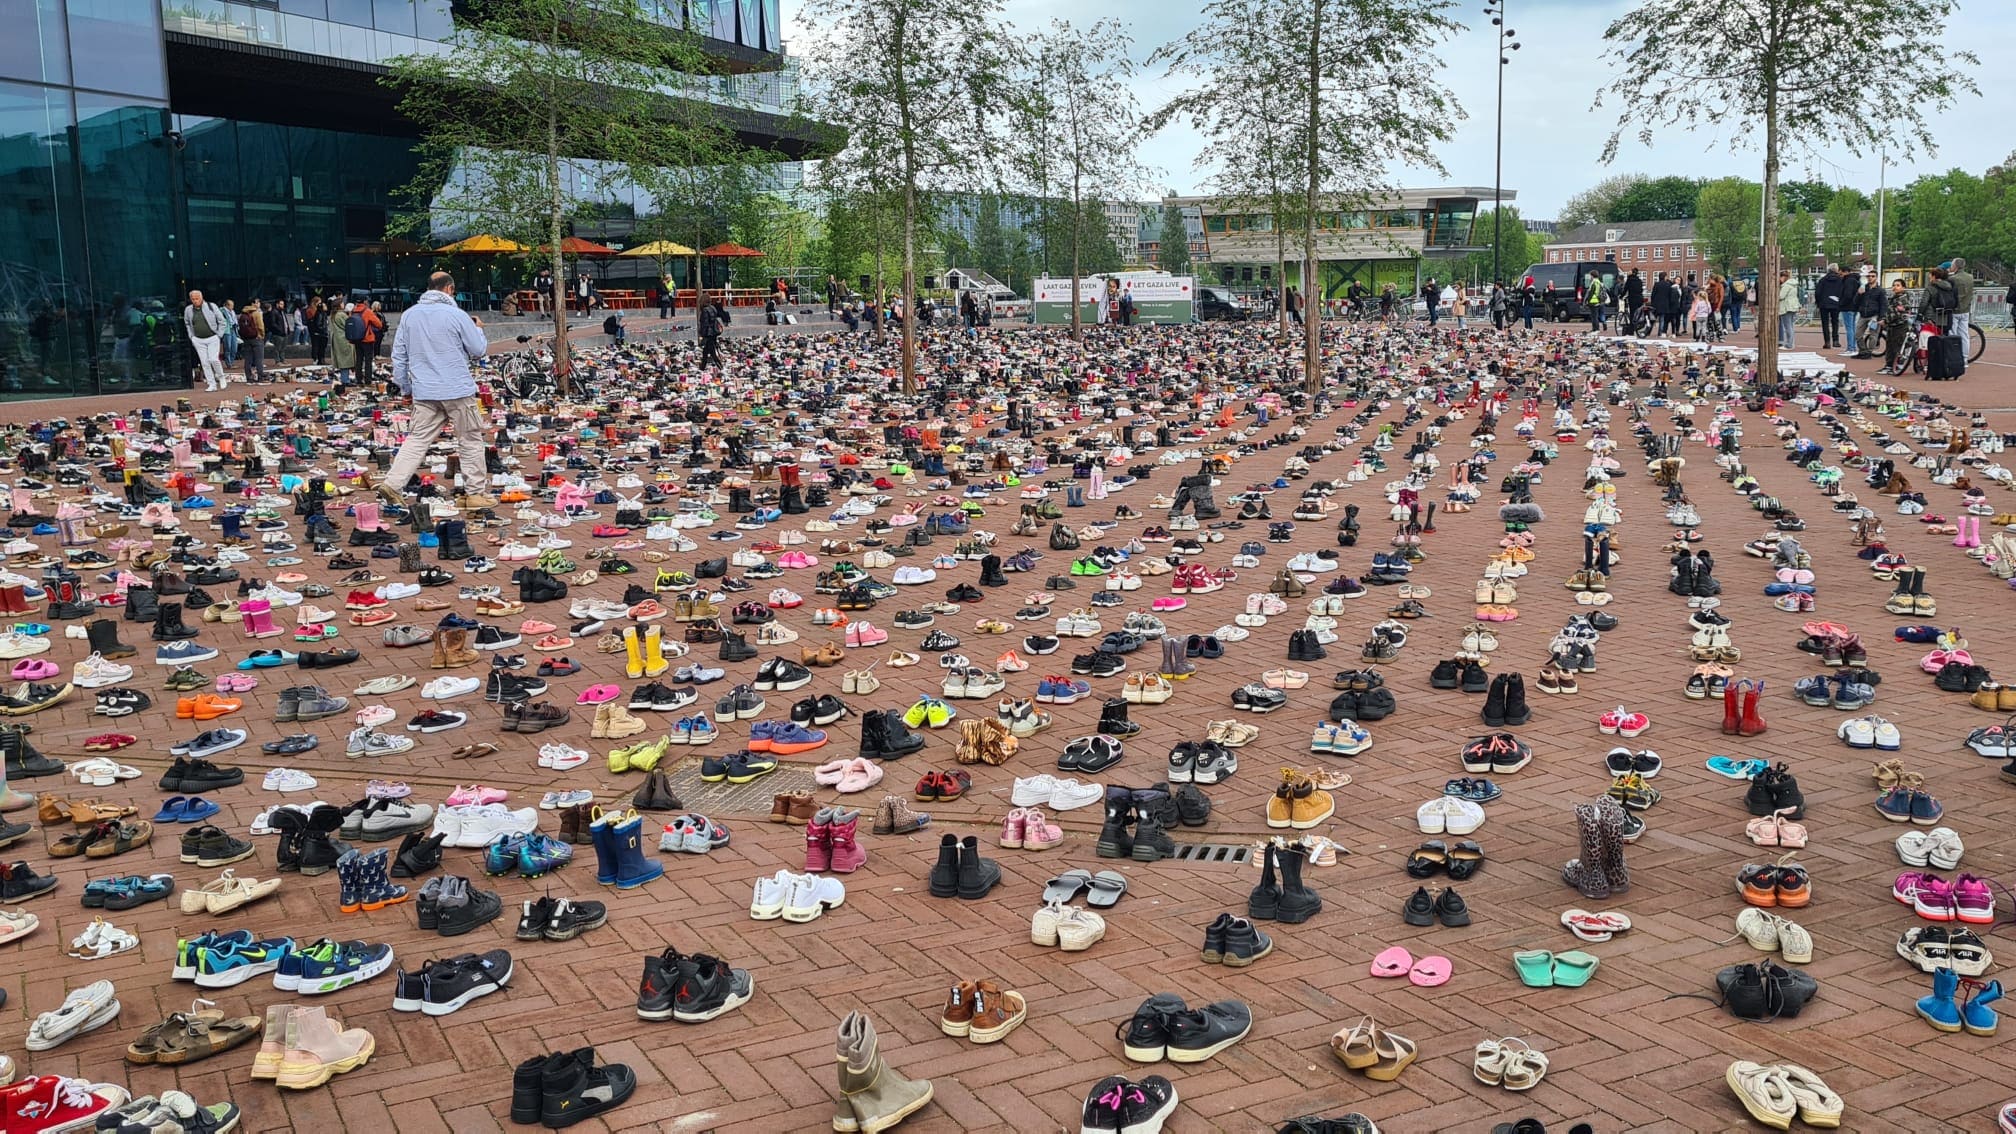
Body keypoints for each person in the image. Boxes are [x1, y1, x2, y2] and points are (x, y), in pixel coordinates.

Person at [382, 272, 493, 507]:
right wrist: (479, 329)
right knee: (470, 439)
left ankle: (392, 483)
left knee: (417, 439)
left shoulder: (409, 316)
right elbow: (478, 349)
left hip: (425, 390)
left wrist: (405, 387)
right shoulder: (457, 315)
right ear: (450, 289)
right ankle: (474, 493)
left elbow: (399, 356)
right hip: (457, 388)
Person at [183, 289, 229, 392]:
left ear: (201, 297)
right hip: (198, 339)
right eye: (193, 299)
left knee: (213, 359)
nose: (195, 301)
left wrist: (219, 334)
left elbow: (222, 321)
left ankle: (221, 376)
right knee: (204, 362)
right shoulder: (188, 310)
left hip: (213, 337)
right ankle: (211, 383)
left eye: (197, 298)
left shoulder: (211, 306)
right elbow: (187, 323)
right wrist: (192, 336)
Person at [1881, 278, 1914, 374]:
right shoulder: (1893, 298)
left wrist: (1886, 320)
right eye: (1894, 285)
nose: (1895, 287)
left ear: (1903, 287)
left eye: (1898, 285)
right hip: (1892, 325)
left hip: (1899, 325)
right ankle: (1888, 365)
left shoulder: (1903, 299)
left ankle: (1895, 366)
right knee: (1890, 345)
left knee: (1897, 346)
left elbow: (1898, 313)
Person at [1918, 266, 1958, 333]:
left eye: (1930, 275)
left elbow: (1924, 303)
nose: (1929, 276)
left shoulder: (1930, 288)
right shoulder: (1950, 287)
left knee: (1931, 339)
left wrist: (1920, 314)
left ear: (1934, 276)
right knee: (1943, 338)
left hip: (1932, 318)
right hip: (1946, 318)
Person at [1852, 277, 1885, 358]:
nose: (1870, 278)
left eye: (1873, 276)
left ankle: (1869, 352)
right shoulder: (1863, 288)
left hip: (1874, 315)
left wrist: (1882, 317)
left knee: (1873, 335)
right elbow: (1855, 301)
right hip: (1863, 315)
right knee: (1857, 334)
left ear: (1876, 278)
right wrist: (1859, 294)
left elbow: (1884, 304)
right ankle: (1863, 351)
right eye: (1869, 276)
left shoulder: (1880, 290)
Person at [1813, 265, 1844, 350]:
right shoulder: (1840, 280)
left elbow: (1818, 292)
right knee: (1835, 322)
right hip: (1836, 303)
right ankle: (1836, 340)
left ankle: (1827, 342)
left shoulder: (1823, 280)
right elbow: (1842, 292)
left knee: (1825, 323)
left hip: (1824, 304)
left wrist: (1818, 302)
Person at [697, 291, 729, 369]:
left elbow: (705, 324)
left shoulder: (704, 310)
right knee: (707, 352)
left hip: (708, 334)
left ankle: (720, 367)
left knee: (712, 353)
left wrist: (702, 335)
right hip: (714, 332)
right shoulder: (713, 308)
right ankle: (702, 368)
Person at [1948, 257, 1975, 347]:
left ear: (1955, 266)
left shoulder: (1953, 278)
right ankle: (1964, 357)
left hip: (1954, 310)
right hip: (1965, 309)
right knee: (1964, 335)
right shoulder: (1970, 277)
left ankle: (1953, 355)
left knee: (1952, 333)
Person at [238, 300, 266, 383]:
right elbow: (261, 326)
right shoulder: (256, 313)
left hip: (246, 339)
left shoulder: (242, 314)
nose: (258, 304)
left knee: (248, 359)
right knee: (259, 359)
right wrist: (262, 335)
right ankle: (260, 377)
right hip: (256, 338)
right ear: (252, 304)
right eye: (256, 303)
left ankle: (249, 377)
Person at [331, 301, 359, 385]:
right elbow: (348, 324)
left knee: (342, 360)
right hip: (344, 339)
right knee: (346, 360)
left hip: (337, 339)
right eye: (342, 303)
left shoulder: (334, 314)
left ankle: (345, 378)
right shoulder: (341, 315)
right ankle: (345, 379)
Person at [357, 302, 385, 383]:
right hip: (367, 338)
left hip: (357, 339)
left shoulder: (354, 310)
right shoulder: (367, 311)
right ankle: (367, 379)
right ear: (365, 302)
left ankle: (358, 379)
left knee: (359, 359)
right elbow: (378, 324)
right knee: (368, 360)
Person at [1837, 268, 1863, 357]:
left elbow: (1848, 295)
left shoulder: (1848, 281)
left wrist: (1841, 303)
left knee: (1849, 328)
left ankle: (1851, 348)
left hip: (1847, 307)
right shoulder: (1856, 280)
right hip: (1854, 307)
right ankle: (1853, 347)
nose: (1840, 276)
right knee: (1852, 327)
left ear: (1846, 272)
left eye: (1841, 274)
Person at [1776, 270, 1799, 350]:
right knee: (1791, 326)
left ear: (1783, 277)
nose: (1779, 279)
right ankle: (1791, 343)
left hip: (1786, 307)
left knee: (1787, 327)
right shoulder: (1793, 284)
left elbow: (1781, 296)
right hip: (1793, 306)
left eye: (1780, 277)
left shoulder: (1786, 285)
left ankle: (1789, 345)